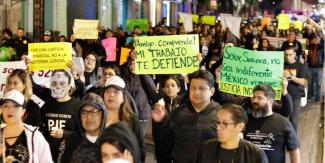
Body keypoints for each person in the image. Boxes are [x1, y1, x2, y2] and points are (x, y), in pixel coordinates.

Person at [152, 70, 221, 163]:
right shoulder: (177, 113)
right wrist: (159, 123)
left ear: (212, 91)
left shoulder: (221, 115)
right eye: (193, 88)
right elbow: (165, 145)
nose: (196, 92)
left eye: (202, 88)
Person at [244, 84, 300, 163]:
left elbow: (294, 149)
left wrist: (284, 91)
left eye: (259, 98)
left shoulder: (283, 123)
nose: (254, 100)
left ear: (270, 101)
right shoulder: (245, 121)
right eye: (253, 97)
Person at [196, 104, 269, 163]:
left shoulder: (254, 153)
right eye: (218, 122)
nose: (218, 127)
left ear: (240, 126)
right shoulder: (206, 149)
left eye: (224, 123)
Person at [101, 75, 145, 162]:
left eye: (116, 92)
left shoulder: (132, 120)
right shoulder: (97, 117)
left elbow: (141, 149)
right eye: (107, 91)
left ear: (123, 98)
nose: (111, 95)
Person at [0, 90, 53, 163]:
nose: (10, 109)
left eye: (16, 106)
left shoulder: (35, 135)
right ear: (1, 109)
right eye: (5, 106)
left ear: (23, 111)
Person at [40, 70, 81, 162]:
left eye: (62, 83)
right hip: (48, 156)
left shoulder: (78, 106)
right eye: (54, 83)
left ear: (69, 86)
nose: (58, 86)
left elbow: (84, 134)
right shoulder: (47, 105)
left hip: (70, 156)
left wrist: (65, 134)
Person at [152, 76, 183, 163]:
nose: (170, 88)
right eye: (167, 86)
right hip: (163, 148)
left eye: (173, 85)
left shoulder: (184, 104)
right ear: (164, 89)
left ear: (179, 88)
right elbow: (156, 128)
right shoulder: (159, 104)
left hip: (179, 148)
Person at [68, 93, 107, 163]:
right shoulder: (71, 140)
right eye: (84, 113)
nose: (89, 117)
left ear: (103, 115)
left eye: (94, 112)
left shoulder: (112, 140)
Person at [283, 47, 307, 131]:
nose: (288, 57)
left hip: (295, 97)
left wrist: (291, 77)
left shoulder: (300, 66)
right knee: (282, 121)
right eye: (286, 54)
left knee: (294, 122)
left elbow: (303, 82)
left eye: (290, 54)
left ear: (295, 55)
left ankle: (293, 142)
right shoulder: (280, 64)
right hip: (281, 97)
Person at [306, 34, 324, 102]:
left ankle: (318, 97)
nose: (316, 39)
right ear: (312, 40)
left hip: (319, 68)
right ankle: (310, 95)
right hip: (310, 67)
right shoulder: (309, 47)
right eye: (314, 38)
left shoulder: (322, 47)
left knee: (318, 83)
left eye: (317, 38)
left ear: (319, 39)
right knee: (310, 83)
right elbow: (305, 56)